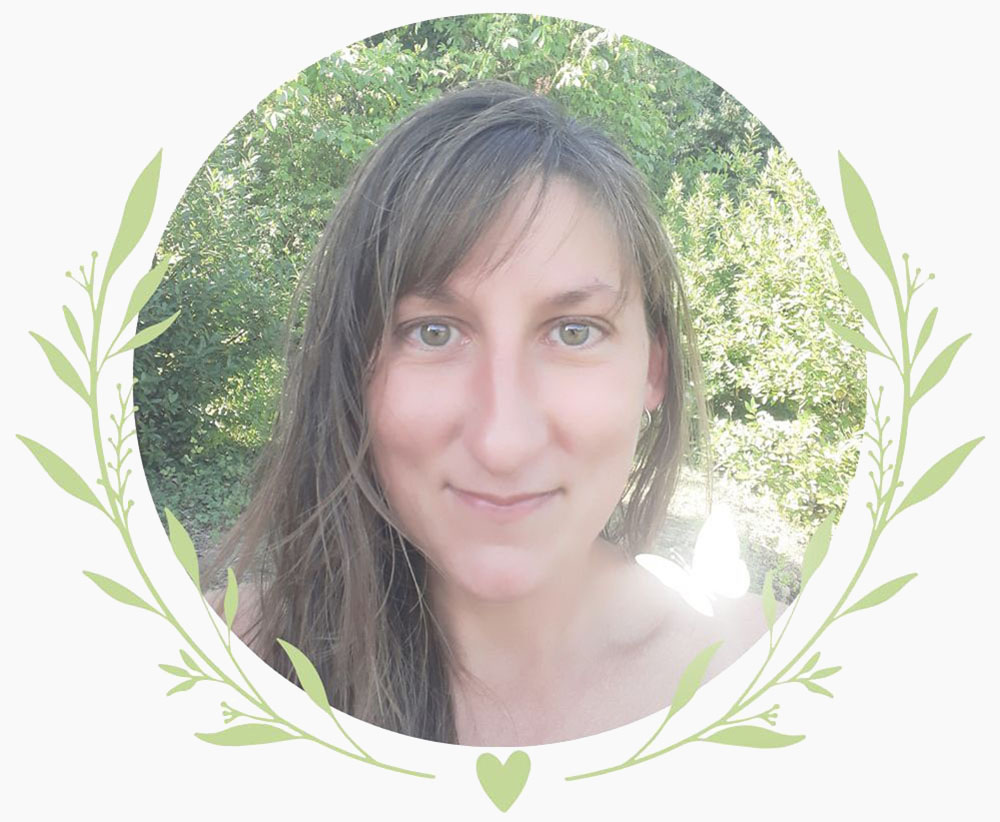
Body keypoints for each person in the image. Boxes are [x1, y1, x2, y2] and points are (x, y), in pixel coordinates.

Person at [211, 81, 767, 746]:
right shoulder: (219, 664)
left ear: (653, 370)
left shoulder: (776, 673)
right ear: (352, 367)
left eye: (574, 333)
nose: (503, 443)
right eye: (433, 332)